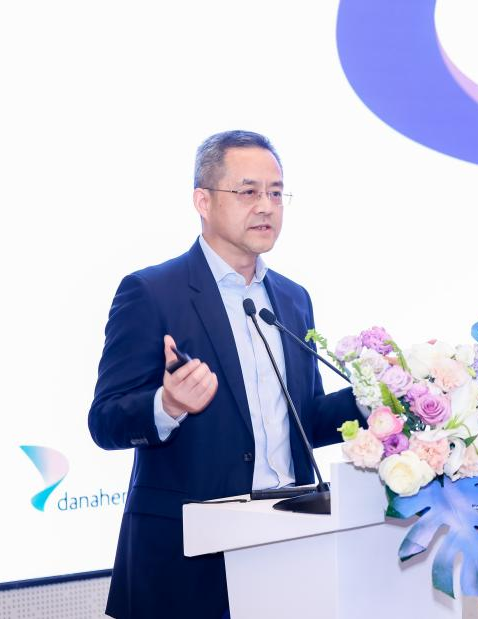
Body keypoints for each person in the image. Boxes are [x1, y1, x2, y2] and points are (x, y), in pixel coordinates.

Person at [89, 130, 363, 618]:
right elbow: (104, 422)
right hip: (187, 562)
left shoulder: (293, 298)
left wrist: (373, 398)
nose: (266, 206)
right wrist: (167, 405)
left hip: (289, 544)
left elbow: (305, 420)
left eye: (276, 193)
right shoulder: (152, 292)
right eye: (248, 191)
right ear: (203, 201)